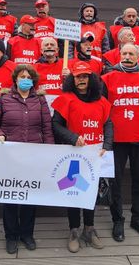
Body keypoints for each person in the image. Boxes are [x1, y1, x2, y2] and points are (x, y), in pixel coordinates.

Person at [0, 64, 55, 254]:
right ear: (15, 79)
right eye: (22, 76)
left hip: (34, 156)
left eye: (29, 76)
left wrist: (48, 151)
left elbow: (47, 128)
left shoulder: (40, 100)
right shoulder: (4, 99)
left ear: (33, 80)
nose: (25, 79)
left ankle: (27, 234)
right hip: (10, 157)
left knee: (29, 197)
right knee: (10, 198)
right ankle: (11, 236)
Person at [101, 44, 139, 242]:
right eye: (124, 53)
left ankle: (138, 218)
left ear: (138, 57)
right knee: (116, 182)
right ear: (119, 55)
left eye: (131, 54)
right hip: (116, 139)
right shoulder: (107, 78)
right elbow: (100, 108)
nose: (127, 57)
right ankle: (117, 219)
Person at [52, 61, 113, 252]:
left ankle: (89, 228)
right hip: (73, 155)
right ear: (73, 79)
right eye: (78, 76)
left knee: (91, 192)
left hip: (95, 155)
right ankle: (73, 230)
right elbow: (56, 125)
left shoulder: (102, 101)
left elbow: (108, 124)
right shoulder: (66, 99)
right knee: (74, 191)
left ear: (90, 79)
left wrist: (107, 145)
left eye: (85, 76)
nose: (81, 80)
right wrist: (73, 137)